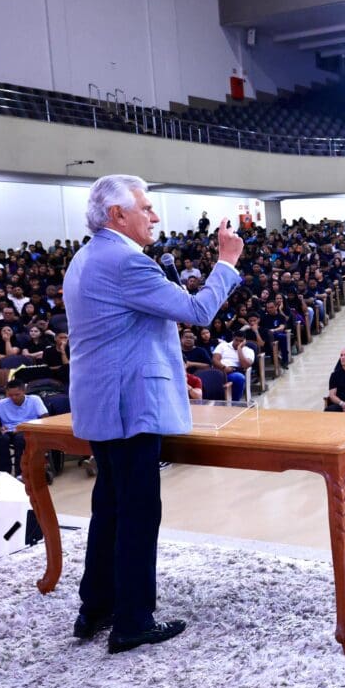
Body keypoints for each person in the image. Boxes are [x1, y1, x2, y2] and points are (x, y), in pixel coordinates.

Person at [64, 174, 242, 654]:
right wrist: (226, 262)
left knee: (111, 508)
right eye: (146, 207)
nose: (155, 216)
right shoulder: (126, 262)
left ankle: (95, 607)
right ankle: (133, 620)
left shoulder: (85, 257)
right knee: (138, 513)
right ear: (118, 214)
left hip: (101, 402)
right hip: (130, 406)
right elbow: (197, 311)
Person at [0, 379, 48, 475]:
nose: (14, 398)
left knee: (19, 439)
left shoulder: (34, 400)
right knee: (2, 439)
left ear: (24, 391)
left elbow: (45, 418)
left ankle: (19, 471)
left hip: (28, 430)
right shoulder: (1, 404)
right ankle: (4, 471)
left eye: (17, 394)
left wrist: (25, 427)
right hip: (8, 431)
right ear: (6, 393)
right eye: (10, 395)